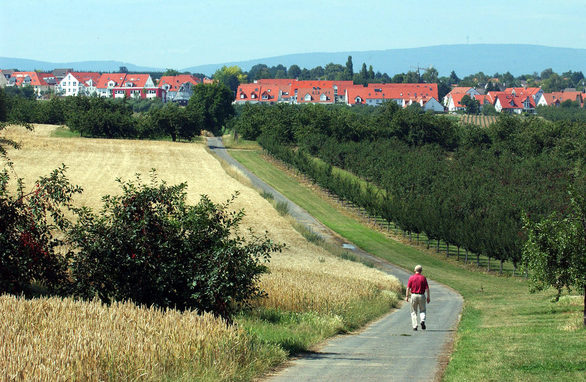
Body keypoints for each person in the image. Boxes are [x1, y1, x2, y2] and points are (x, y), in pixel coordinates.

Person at [405, 264, 430, 331]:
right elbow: (427, 288)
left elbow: (408, 288)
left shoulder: (411, 278)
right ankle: (422, 320)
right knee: (422, 310)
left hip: (413, 295)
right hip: (421, 295)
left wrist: (407, 296)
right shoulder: (423, 278)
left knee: (413, 311)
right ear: (421, 271)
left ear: (414, 270)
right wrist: (428, 297)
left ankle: (415, 326)